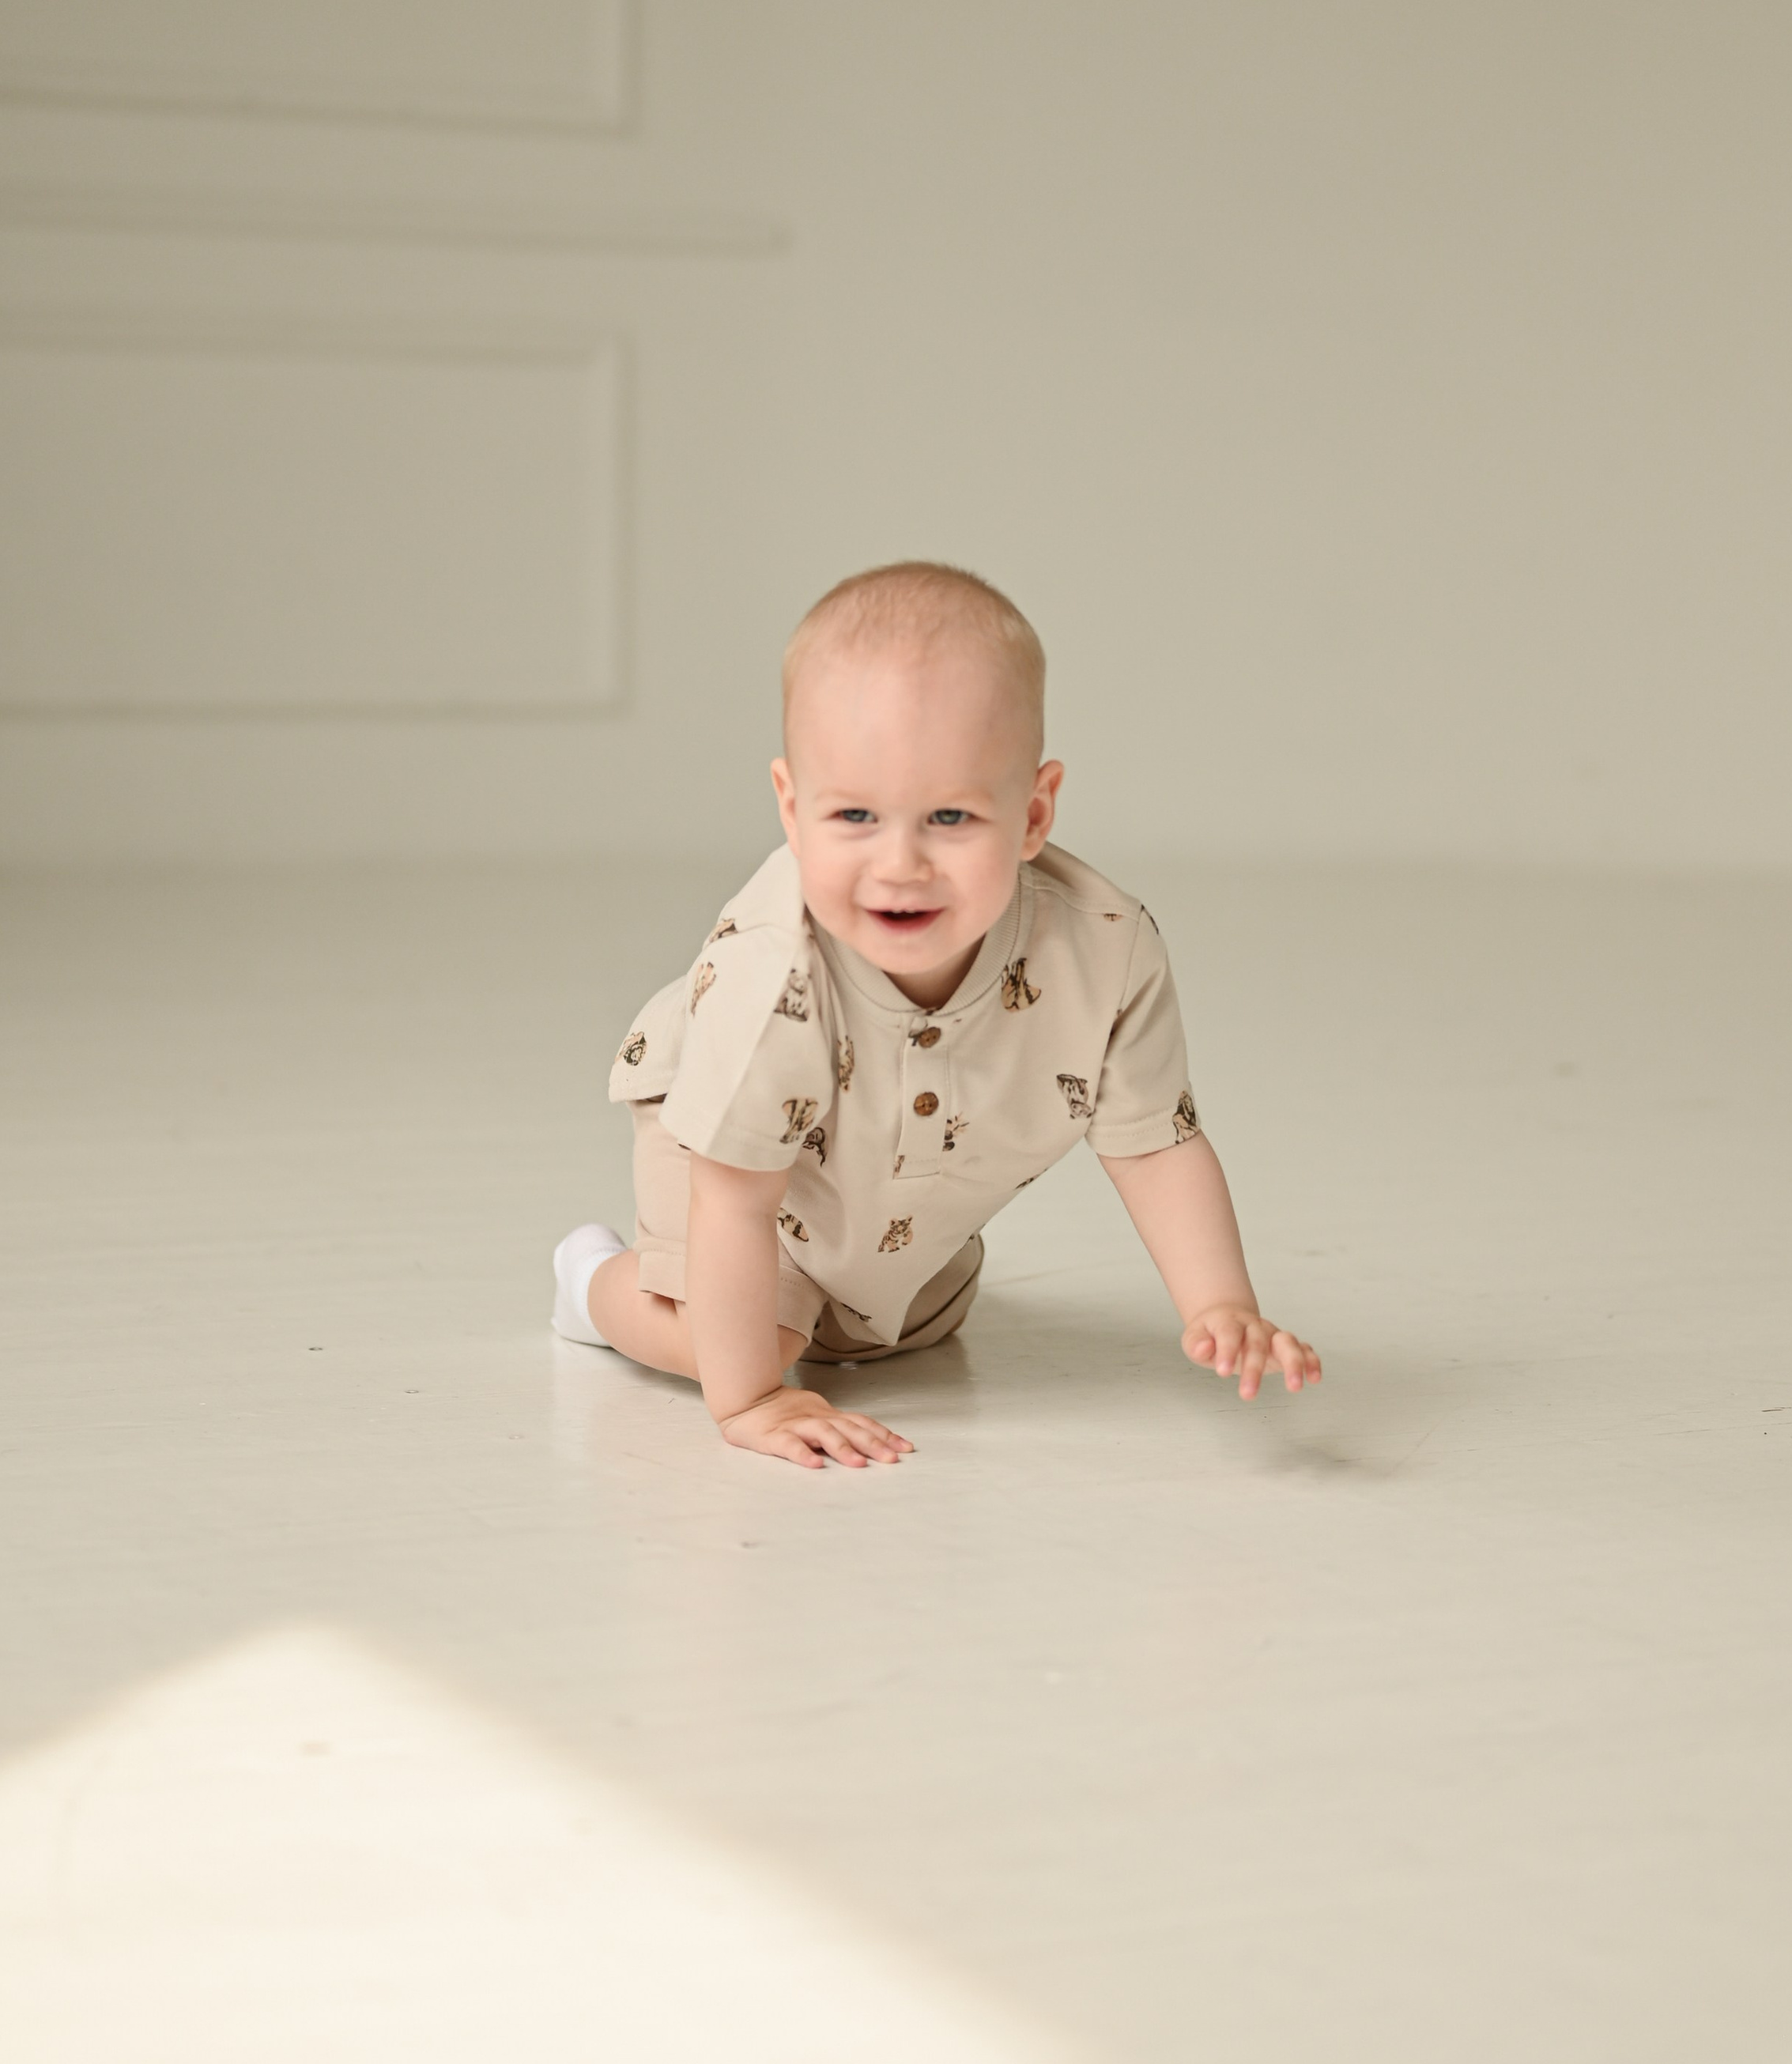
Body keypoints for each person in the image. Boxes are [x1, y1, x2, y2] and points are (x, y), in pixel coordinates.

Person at [551, 560, 1322, 1469]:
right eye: (855, 815)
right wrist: (753, 1398)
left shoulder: (1103, 949)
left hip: (896, 1205)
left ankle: (831, 1304)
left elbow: (1156, 1142)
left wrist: (1218, 1301)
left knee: (911, 1331)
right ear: (792, 811)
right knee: (769, 1343)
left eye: (950, 816)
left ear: (1032, 814)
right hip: (725, 1158)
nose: (900, 863)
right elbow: (734, 1199)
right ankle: (594, 1283)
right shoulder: (772, 979)